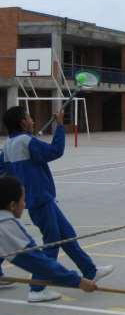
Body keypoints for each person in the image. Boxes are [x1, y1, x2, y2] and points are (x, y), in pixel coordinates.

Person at [0, 106, 113, 302]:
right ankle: (37, 289)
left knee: (66, 234)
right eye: (29, 117)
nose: (33, 120)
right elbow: (55, 151)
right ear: (22, 122)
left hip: (34, 198)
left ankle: (90, 270)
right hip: (40, 199)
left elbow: (5, 171)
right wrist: (60, 126)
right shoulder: (27, 141)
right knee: (52, 240)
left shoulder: (8, 145)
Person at [0, 176, 98, 297]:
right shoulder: (5, 227)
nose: (24, 204)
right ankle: (37, 291)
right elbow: (37, 262)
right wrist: (78, 281)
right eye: (23, 200)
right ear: (12, 205)